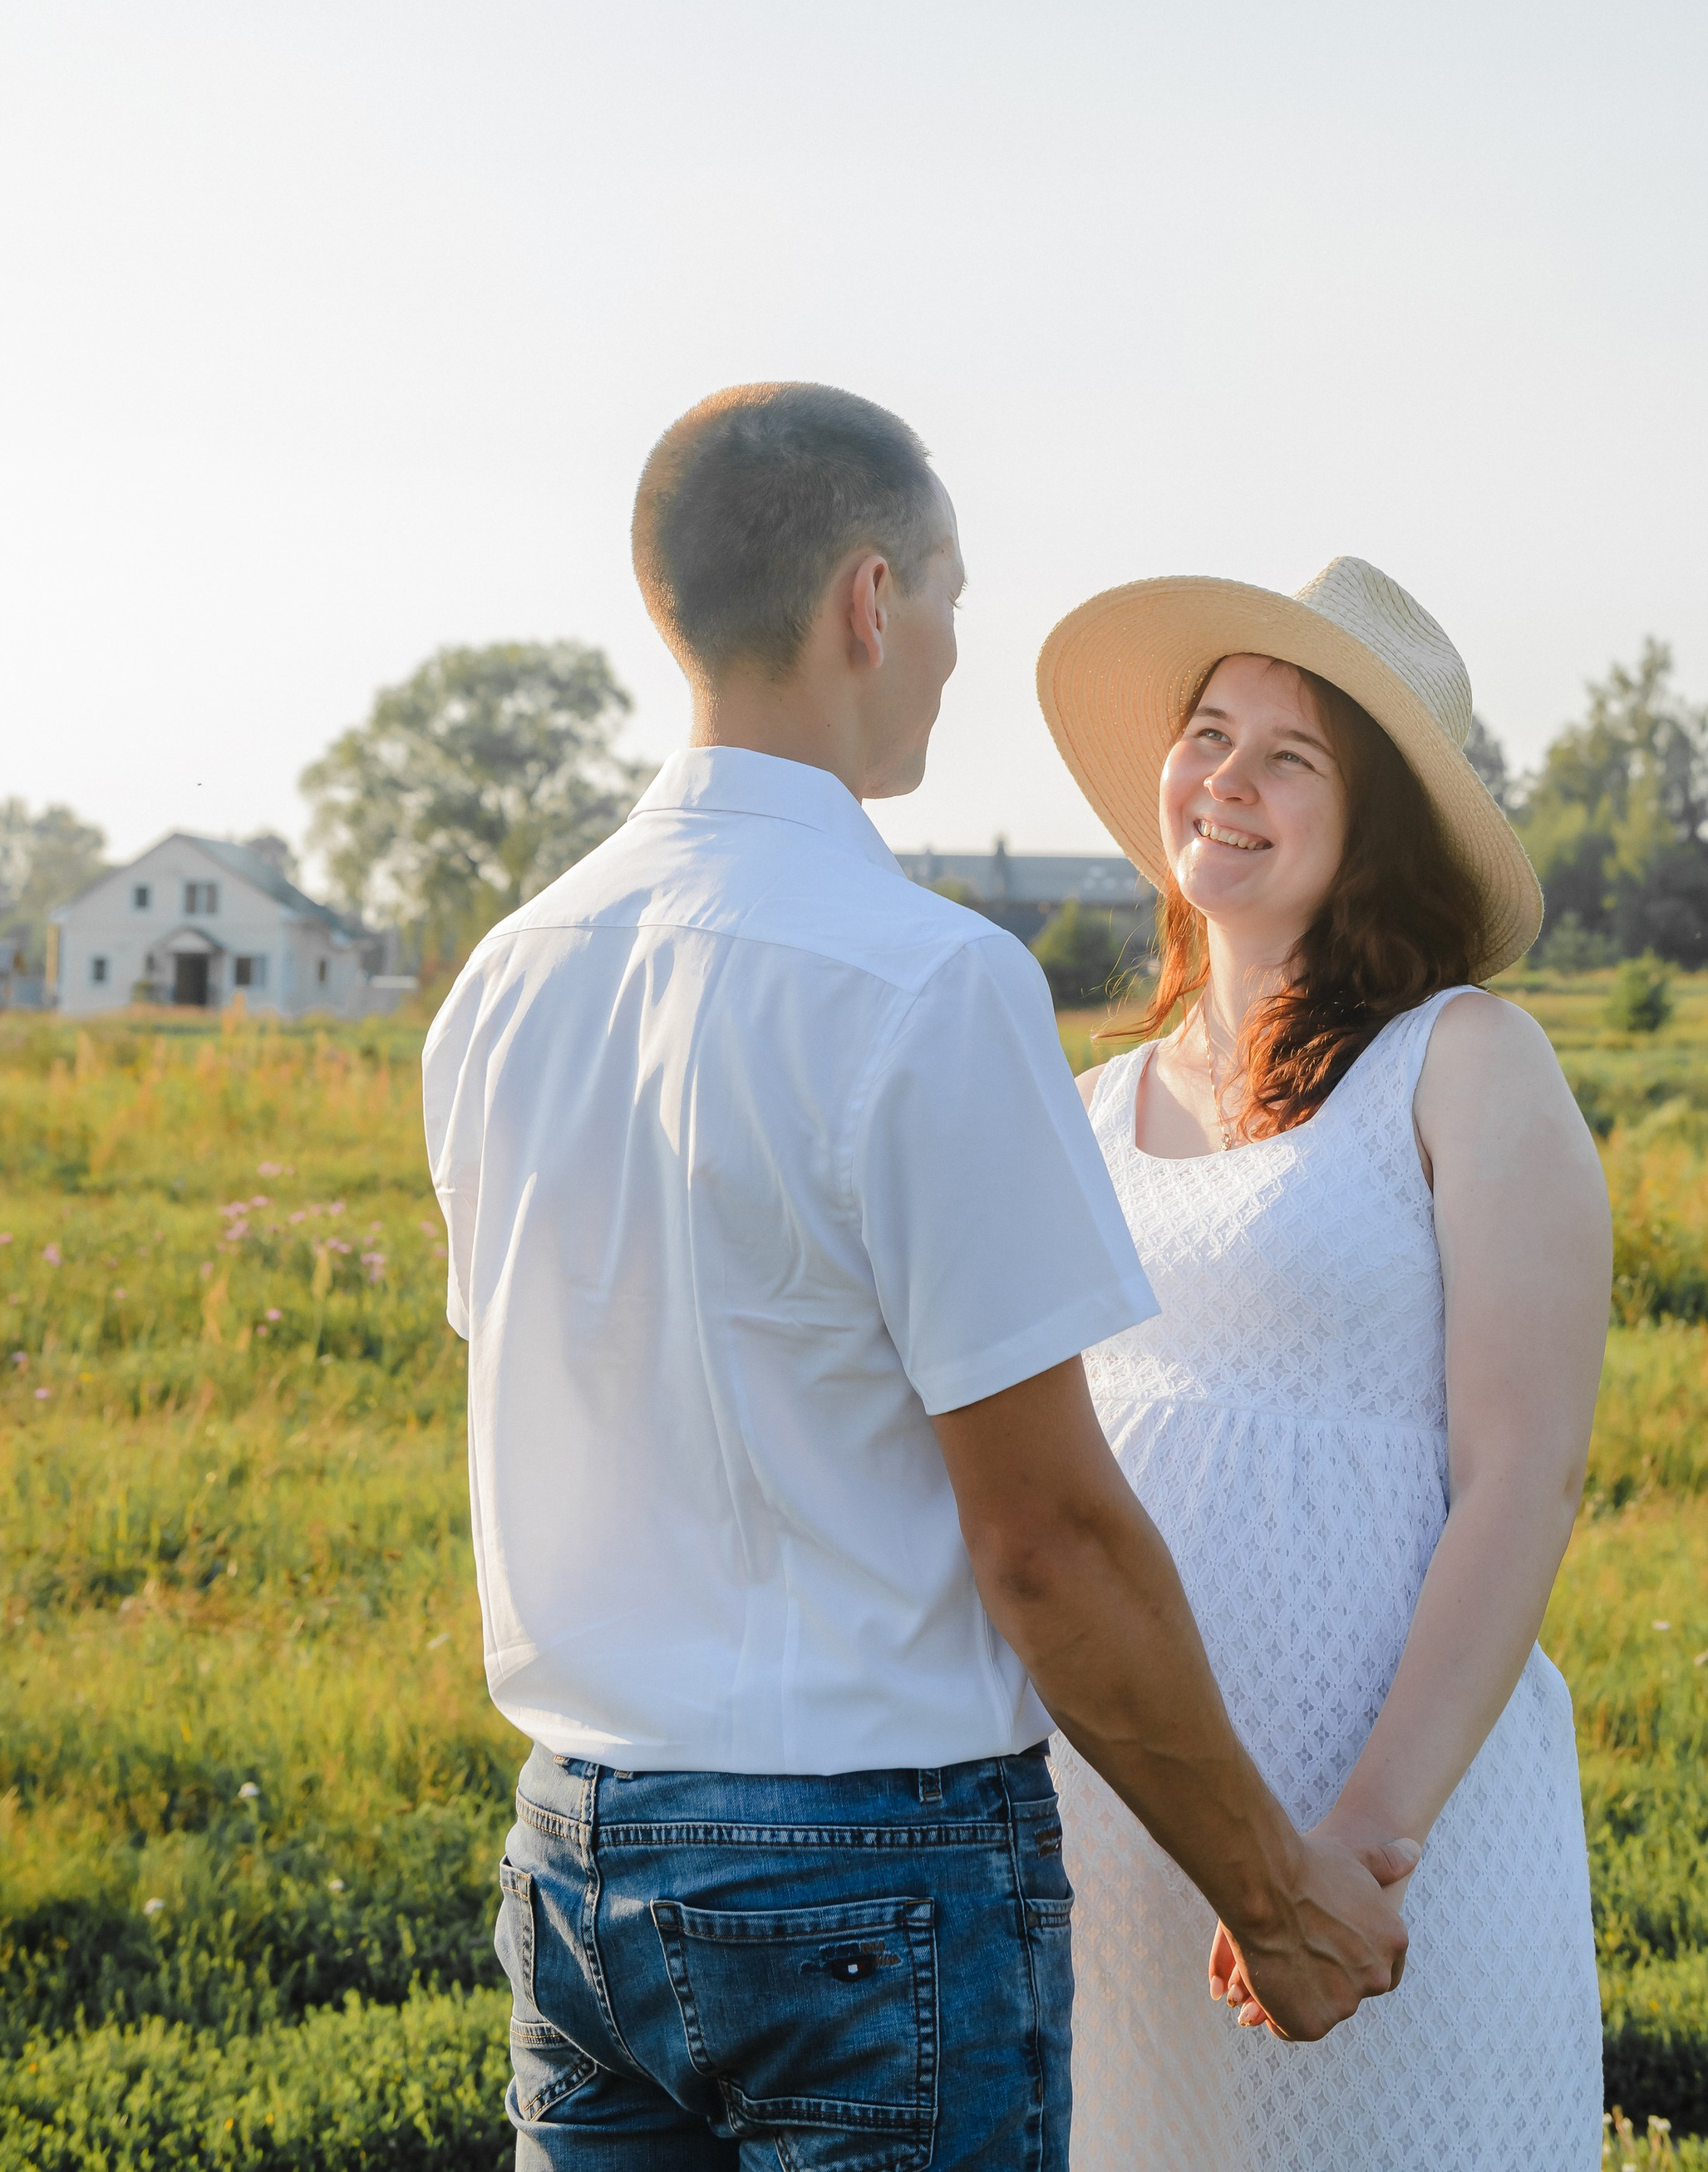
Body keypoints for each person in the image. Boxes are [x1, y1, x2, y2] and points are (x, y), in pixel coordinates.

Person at [423, 387, 1415, 2172]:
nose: (952, 648)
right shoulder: (926, 982)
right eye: (948, 597)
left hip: (574, 1851)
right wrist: (1270, 1890)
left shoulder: (504, 980)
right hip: (865, 1877)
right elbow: (1043, 1537)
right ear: (870, 601)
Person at [1034, 550, 1613, 2170]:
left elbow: (1525, 1469)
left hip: (1377, 1849)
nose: (1223, 779)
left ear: (1375, 825)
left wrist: (1358, 1842)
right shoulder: (1087, 1111)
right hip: (1119, 1852)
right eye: (1207, 730)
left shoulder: (1462, 1062)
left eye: (1287, 756)